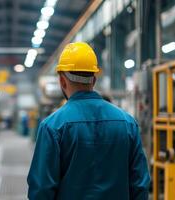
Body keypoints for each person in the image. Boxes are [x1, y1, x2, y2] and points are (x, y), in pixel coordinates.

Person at [27, 42, 150, 200]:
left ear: (62, 81)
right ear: (94, 80)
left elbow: (41, 191)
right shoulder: (128, 124)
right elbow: (140, 185)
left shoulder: (52, 127)